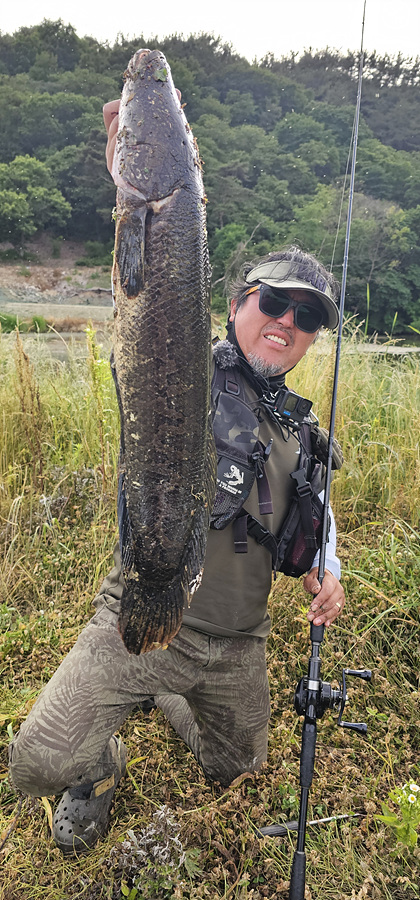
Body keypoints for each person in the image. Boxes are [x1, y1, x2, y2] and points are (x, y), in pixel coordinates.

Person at [8, 100, 345, 856]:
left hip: (239, 643)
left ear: (312, 338)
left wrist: (330, 572)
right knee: (36, 764)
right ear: (237, 305)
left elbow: (317, 521)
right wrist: (134, 187)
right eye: (274, 303)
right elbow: (149, 301)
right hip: (141, 612)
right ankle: (100, 763)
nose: (286, 322)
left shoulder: (306, 434)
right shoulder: (187, 365)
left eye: (307, 317)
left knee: (239, 769)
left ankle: (167, 698)